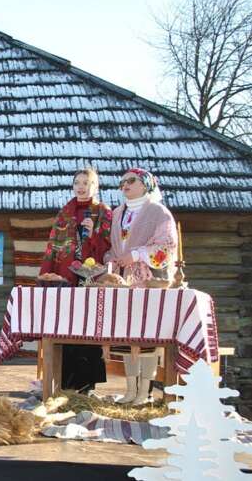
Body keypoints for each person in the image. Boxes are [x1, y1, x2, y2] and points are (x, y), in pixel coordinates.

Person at [105, 168, 178, 405]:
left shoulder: (159, 212)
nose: (124, 185)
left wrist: (136, 255)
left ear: (146, 184)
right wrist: (111, 259)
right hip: (123, 282)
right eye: (122, 182)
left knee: (147, 335)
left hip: (148, 282)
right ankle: (130, 389)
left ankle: (145, 391)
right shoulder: (117, 213)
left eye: (131, 180)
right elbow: (114, 246)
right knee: (126, 334)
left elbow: (166, 247)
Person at [38, 168, 112, 393]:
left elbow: (110, 247)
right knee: (65, 327)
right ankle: (64, 383)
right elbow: (53, 247)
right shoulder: (65, 213)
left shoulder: (104, 212)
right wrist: (46, 274)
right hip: (65, 279)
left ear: (95, 187)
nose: (81, 187)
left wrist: (93, 236)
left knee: (89, 329)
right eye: (77, 183)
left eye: (86, 183)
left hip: (92, 279)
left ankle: (87, 385)